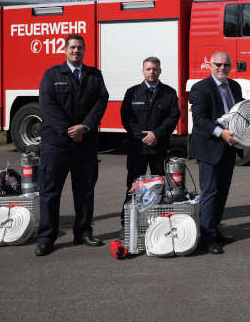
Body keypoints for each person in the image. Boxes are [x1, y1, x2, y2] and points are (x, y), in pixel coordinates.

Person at [36, 33, 109, 256]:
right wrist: (70, 131)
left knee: (85, 190)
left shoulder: (94, 75)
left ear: (84, 51)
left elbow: (101, 101)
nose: (76, 51)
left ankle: (83, 232)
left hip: (85, 143)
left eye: (80, 48)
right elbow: (48, 105)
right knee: (50, 192)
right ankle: (46, 238)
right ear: (65, 50)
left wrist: (85, 127)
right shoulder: (52, 75)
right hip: (56, 144)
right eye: (72, 48)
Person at [187, 51, 243, 254]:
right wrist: (221, 133)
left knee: (222, 191)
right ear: (209, 65)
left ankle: (216, 228)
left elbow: (241, 111)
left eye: (226, 65)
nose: (222, 68)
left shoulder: (235, 86)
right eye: (218, 64)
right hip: (210, 147)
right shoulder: (200, 88)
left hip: (229, 148)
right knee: (210, 192)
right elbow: (200, 120)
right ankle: (206, 237)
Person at [120, 56, 181, 224]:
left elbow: (173, 116)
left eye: (155, 69)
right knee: (133, 187)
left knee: (160, 186)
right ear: (143, 71)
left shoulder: (169, 93)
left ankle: (160, 223)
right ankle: (127, 223)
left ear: (160, 70)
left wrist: (157, 134)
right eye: (148, 69)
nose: (152, 72)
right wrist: (143, 136)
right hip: (137, 149)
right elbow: (126, 119)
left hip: (159, 148)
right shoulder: (132, 92)